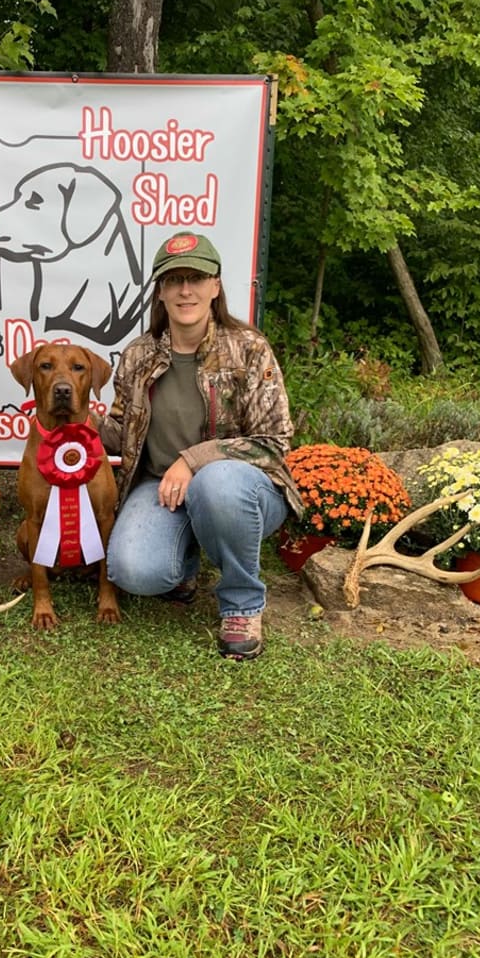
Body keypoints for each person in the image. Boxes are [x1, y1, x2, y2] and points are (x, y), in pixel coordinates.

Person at [98, 231, 303, 660]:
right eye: (174, 280)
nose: (185, 290)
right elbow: (122, 432)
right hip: (162, 490)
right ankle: (183, 566)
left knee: (218, 484)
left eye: (196, 278)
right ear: (160, 292)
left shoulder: (248, 349)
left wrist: (194, 460)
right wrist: (78, 420)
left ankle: (242, 604)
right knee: (132, 571)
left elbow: (274, 441)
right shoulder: (138, 355)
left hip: (243, 491)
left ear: (216, 285)